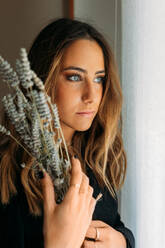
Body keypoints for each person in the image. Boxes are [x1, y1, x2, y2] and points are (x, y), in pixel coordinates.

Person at [0, 18, 135, 248]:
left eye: (99, 79)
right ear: (43, 78)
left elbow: (115, 224)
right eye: (74, 77)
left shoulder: (98, 154)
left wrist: (121, 241)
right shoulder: (8, 174)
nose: (91, 95)